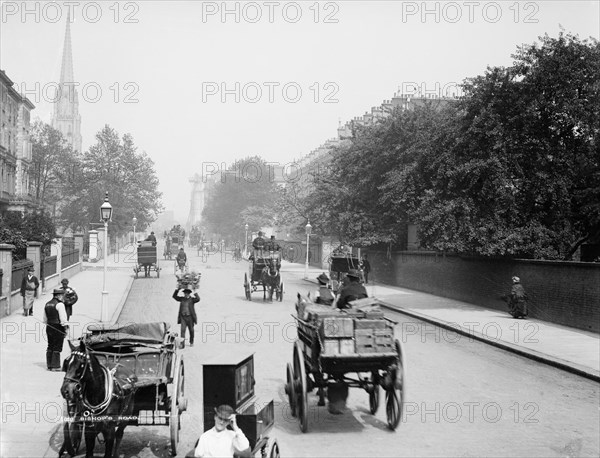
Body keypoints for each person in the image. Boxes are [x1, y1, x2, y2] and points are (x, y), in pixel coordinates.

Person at [43, 289, 69, 371]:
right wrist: (66, 328)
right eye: (62, 295)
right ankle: (55, 366)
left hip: (49, 326)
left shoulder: (47, 304)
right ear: (59, 296)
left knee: (50, 345)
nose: (63, 297)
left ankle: (49, 365)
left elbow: (44, 318)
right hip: (58, 326)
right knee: (57, 346)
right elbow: (63, 318)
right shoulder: (60, 304)